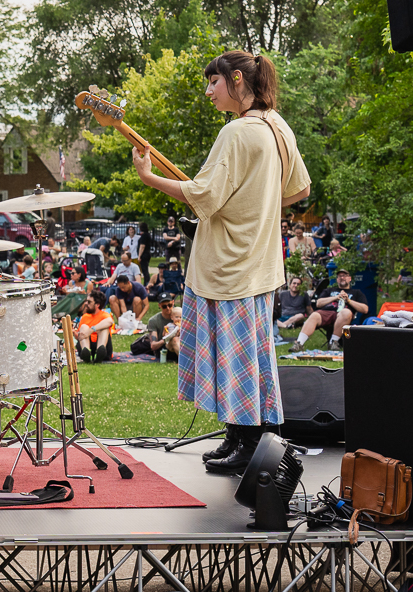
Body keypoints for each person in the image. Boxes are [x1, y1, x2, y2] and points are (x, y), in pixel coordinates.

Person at [131, 50, 309, 473]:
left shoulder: (236, 132)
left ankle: (248, 445)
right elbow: (298, 190)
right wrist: (257, 206)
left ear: (236, 79)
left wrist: (148, 176)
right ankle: (237, 437)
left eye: (213, 82)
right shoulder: (277, 126)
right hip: (260, 261)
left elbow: (204, 198)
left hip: (229, 265)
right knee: (248, 354)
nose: (209, 91)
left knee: (235, 356)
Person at [290, 268, 367, 351]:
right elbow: (318, 303)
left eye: (344, 276)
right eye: (339, 276)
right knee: (314, 315)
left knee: (345, 312)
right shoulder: (329, 290)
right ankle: (299, 343)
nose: (342, 278)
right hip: (326, 313)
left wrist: (348, 300)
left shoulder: (356, 292)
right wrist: (335, 297)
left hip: (344, 316)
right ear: (337, 279)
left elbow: (365, 309)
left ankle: (333, 342)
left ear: (349, 278)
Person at [135, 294, 182, 361]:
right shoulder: (154, 320)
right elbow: (153, 346)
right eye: (164, 306)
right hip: (164, 350)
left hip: (180, 345)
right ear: (159, 305)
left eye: (170, 305)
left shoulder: (180, 315)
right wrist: (166, 338)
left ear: (173, 303)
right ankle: (185, 363)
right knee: (174, 339)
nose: (168, 308)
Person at [75, 290, 115, 362]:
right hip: (88, 343)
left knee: (104, 329)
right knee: (84, 326)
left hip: (102, 343)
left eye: (89, 302)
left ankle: (100, 351)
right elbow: (81, 336)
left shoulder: (104, 315)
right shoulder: (85, 316)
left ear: (97, 305)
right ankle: (86, 352)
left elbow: (110, 321)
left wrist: (92, 330)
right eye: (86, 301)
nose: (86, 304)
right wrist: (74, 333)